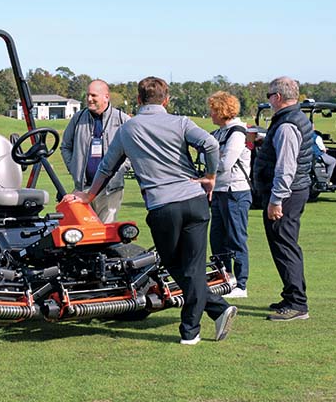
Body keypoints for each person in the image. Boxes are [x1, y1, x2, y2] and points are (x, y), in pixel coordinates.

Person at [64, 76, 237, 344]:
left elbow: (107, 168)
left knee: (172, 264)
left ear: (138, 100)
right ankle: (198, 324)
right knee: (192, 266)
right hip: (195, 201)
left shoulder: (127, 129)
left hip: (162, 205)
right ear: (166, 100)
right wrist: (211, 176)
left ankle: (212, 312)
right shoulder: (181, 122)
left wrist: (88, 195)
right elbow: (211, 145)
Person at [253, 76, 314, 321]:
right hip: (293, 190)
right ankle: (292, 296)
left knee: (284, 246)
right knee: (285, 244)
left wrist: (276, 200)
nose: (268, 100)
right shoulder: (292, 120)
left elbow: (286, 167)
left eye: (269, 96)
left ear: (277, 97)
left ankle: (297, 304)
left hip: (286, 194)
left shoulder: (287, 125)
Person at [60, 80, 130, 223]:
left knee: (104, 235)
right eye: (87, 95)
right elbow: (65, 146)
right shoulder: (78, 118)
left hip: (110, 190)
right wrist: (74, 167)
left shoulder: (123, 120)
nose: (89, 99)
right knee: (81, 233)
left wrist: (120, 170)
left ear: (106, 97)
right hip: (82, 189)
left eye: (93, 95)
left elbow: (132, 152)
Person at [207, 91, 252, 298]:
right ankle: (223, 280)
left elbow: (225, 164)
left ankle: (241, 285)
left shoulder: (237, 132)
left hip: (235, 191)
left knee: (236, 238)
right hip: (218, 191)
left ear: (222, 110)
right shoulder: (218, 133)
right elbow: (204, 155)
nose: (211, 114)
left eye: (213, 110)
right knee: (217, 239)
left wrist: (214, 159)